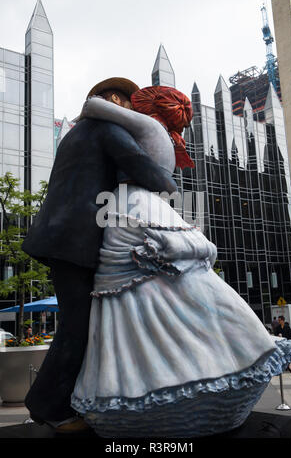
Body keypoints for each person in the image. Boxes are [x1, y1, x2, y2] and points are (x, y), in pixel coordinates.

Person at [70, 86, 291, 438]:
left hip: (134, 206)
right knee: (170, 293)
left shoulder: (147, 128)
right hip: (138, 208)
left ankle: (151, 389)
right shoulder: (156, 133)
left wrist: (97, 111)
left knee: (141, 298)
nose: (127, 104)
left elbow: (92, 106)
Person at [21, 77, 178, 433]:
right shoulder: (104, 127)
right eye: (128, 102)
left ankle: (76, 400)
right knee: (78, 327)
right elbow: (136, 162)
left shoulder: (76, 134)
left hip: (65, 238)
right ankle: (49, 405)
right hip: (74, 241)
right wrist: (169, 185)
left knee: (85, 324)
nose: (132, 111)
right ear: (111, 99)